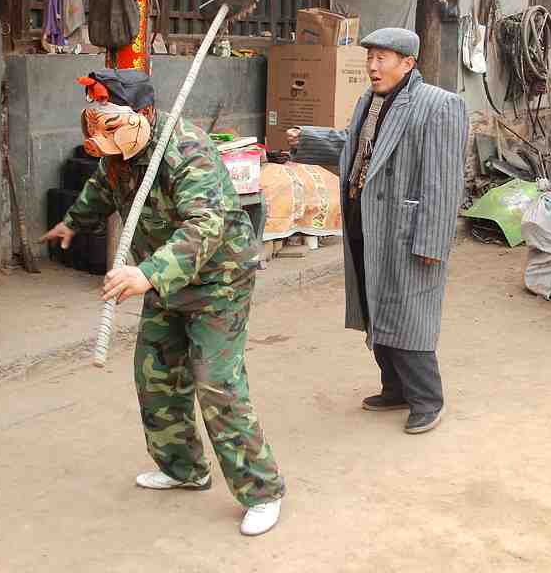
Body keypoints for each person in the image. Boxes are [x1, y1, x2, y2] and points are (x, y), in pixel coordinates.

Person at [40, 69, 285, 537]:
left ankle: (262, 490)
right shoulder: (118, 149)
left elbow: (205, 225)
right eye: (97, 124)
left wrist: (147, 273)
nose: (104, 136)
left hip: (217, 281)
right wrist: (73, 222)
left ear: (146, 114)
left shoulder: (186, 150)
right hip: (164, 281)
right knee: (156, 375)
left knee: (216, 382)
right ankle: (183, 468)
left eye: (112, 124)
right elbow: (102, 187)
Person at [287, 28, 468, 435]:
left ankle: (427, 400)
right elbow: (356, 149)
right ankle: (395, 388)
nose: (372, 66)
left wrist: (432, 242)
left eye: (382, 58)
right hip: (367, 222)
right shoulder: (369, 101)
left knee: (409, 314)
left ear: (408, 63)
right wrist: (308, 140)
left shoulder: (439, 105)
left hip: (405, 230)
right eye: (370, 57)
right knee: (376, 309)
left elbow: (444, 182)